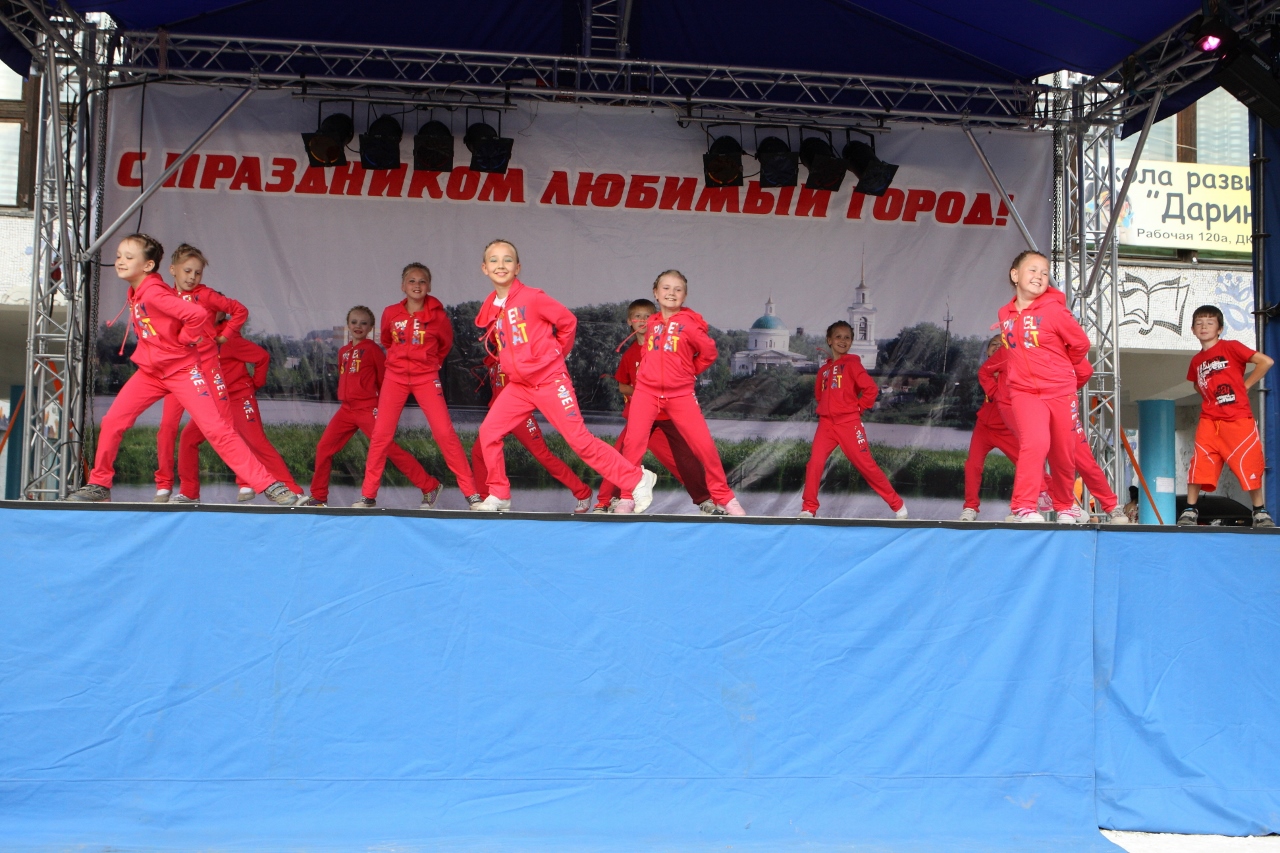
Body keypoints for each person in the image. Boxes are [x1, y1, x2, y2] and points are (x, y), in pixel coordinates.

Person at [64, 234, 297, 505]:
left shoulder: (154, 292)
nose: (120, 262)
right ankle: (99, 483)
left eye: (129, 257)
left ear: (148, 265)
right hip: (152, 372)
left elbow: (196, 315)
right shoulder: (138, 291)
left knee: (217, 429)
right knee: (113, 420)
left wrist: (184, 339)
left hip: (182, 371)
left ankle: (268, 484)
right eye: (118, 256)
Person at [471, 239, 655, 512]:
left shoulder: (533, 297)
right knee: (488, 432)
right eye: (494, 260)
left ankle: (637, 479)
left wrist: (554, 355)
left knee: (579, 441)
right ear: (485, 268)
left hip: (549, 381)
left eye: (507, 259)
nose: (501, 265)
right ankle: (499, 493)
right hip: (519, 386)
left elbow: (568, 322)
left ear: (517, 267)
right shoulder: (493, 306)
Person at [355, 263, 479, 509]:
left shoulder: (439, 317)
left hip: (426, 378)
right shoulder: (391, 313)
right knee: (381, 435)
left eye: (422, 281)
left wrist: (427, 363)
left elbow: (444, 345)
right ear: (403, 286)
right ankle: (368, 495)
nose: (417, 285)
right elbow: (388, 340)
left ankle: (472, 494)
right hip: (395, 378)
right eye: (411, 281)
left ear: (429, 286)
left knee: (444, 433)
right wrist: (401, 363)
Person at [618, 270, 743, 515]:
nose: (671, 293)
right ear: (656, 293)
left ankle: (725, 497)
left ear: (684, 295)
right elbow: (646, 353)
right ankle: (626, 497)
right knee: (633, 444)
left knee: (704, 446)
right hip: (646, 393)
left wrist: (688, 372)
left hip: (680, 394)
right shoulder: (652, 323)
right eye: (666, 288)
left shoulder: (690, 324)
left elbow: (709, 353)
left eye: (677, 289)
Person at [301, 306, 444, 508]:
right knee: (324, 448)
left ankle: (430, 486)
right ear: (348, 325)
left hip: (368, 408)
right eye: (354, 322)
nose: (358, 326)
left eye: (364, 323)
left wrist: (382, 408)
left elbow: (385, 382)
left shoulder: (373, 350)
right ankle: (319, 497)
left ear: (370, 328)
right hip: (347, 410)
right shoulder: (343, 352)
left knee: (388, 449)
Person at [593, 298, 714, 514]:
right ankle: (606, 502)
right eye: (637, 316)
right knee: (620, 455)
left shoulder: (666, 346)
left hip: (667, 414)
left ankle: (706, 499)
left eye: (647, 316)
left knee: (684, 458)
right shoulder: (630, 354)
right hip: (641, 416)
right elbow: (623, 386)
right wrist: (644, 394)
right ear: (629, 321)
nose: (642, 321)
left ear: (655, 320)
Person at [996, 250, 1091, 523]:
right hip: (1024, 391)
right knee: (1035, 443)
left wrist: (1061, 368)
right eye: (1033, 270)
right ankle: (1024, 506)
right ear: (1015, 275)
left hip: (1060, 390)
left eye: (1045, 272)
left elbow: (1081, 344)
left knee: (1063, 450)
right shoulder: (1005, 313)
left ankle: (1064, 505)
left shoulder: (1055, 310)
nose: (1039, 276)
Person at [152, 244, 249, 502]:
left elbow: (240, 310)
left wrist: (224, 336)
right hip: (178, 370)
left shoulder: (206, 295)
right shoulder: (164, 297)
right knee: (167, 427)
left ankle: (245, 480)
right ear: (172, 270)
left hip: (207, 365)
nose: (192, 277)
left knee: (225, 422)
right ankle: (167, 486)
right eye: (187, 271)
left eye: (197, 273)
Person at [172, 317, 304, 502]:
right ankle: (189, 492)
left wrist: (254, 384)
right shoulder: (198, 337)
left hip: (238, 398)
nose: (206, 313)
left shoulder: (229, 339)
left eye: (212, 310)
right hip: (215, 402)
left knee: (256, 442)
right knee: (188, 438)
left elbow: (262, 357)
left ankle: (293, 490)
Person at [1177, 304, 1274, 528]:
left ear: (1219, 328)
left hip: (1238, 417)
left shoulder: (1231, 347)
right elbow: (1196, 384)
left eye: (1210, 323)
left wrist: (1246, 385)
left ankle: (1259, 511)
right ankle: (1190, 509)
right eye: (1199, 323)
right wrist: (1210, 397)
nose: (1204, 327)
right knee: (1200, 463)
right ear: (1193, 329)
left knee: (1249, 461)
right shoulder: (1196, 360)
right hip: (1209, 419)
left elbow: (1266, 361)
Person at [800, 320, 905, 520]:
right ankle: (808, 508)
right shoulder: (824, 371)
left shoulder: (853, 365)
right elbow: (820, 396)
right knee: (814, 463)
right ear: (829, 340)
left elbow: (871, 389)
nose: (843, 341)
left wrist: (858, 408)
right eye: (838, 337)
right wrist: (829, 410)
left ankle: (897, 504)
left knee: (866, 465)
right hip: (826, 425)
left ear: (851, 341)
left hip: (849, 424)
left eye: (847, 337)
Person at [469, 351, 595, 512]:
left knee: (543, 455)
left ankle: (583, 492)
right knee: (478, 452)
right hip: (498, 416)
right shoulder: (495, 354)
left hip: (519, 416)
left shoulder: (518, 351)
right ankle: (487, 498)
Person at [961, 334, 1023, 521]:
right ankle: (970, 507)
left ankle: (1020, 508)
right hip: (984, 427)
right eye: (993, 344)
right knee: (972, 465)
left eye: (1002, 345)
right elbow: (988, 380)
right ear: (987, 351)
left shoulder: (1014, 370)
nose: (997, 347)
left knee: (1028, 464)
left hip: (1007, 429)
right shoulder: (986, 371)